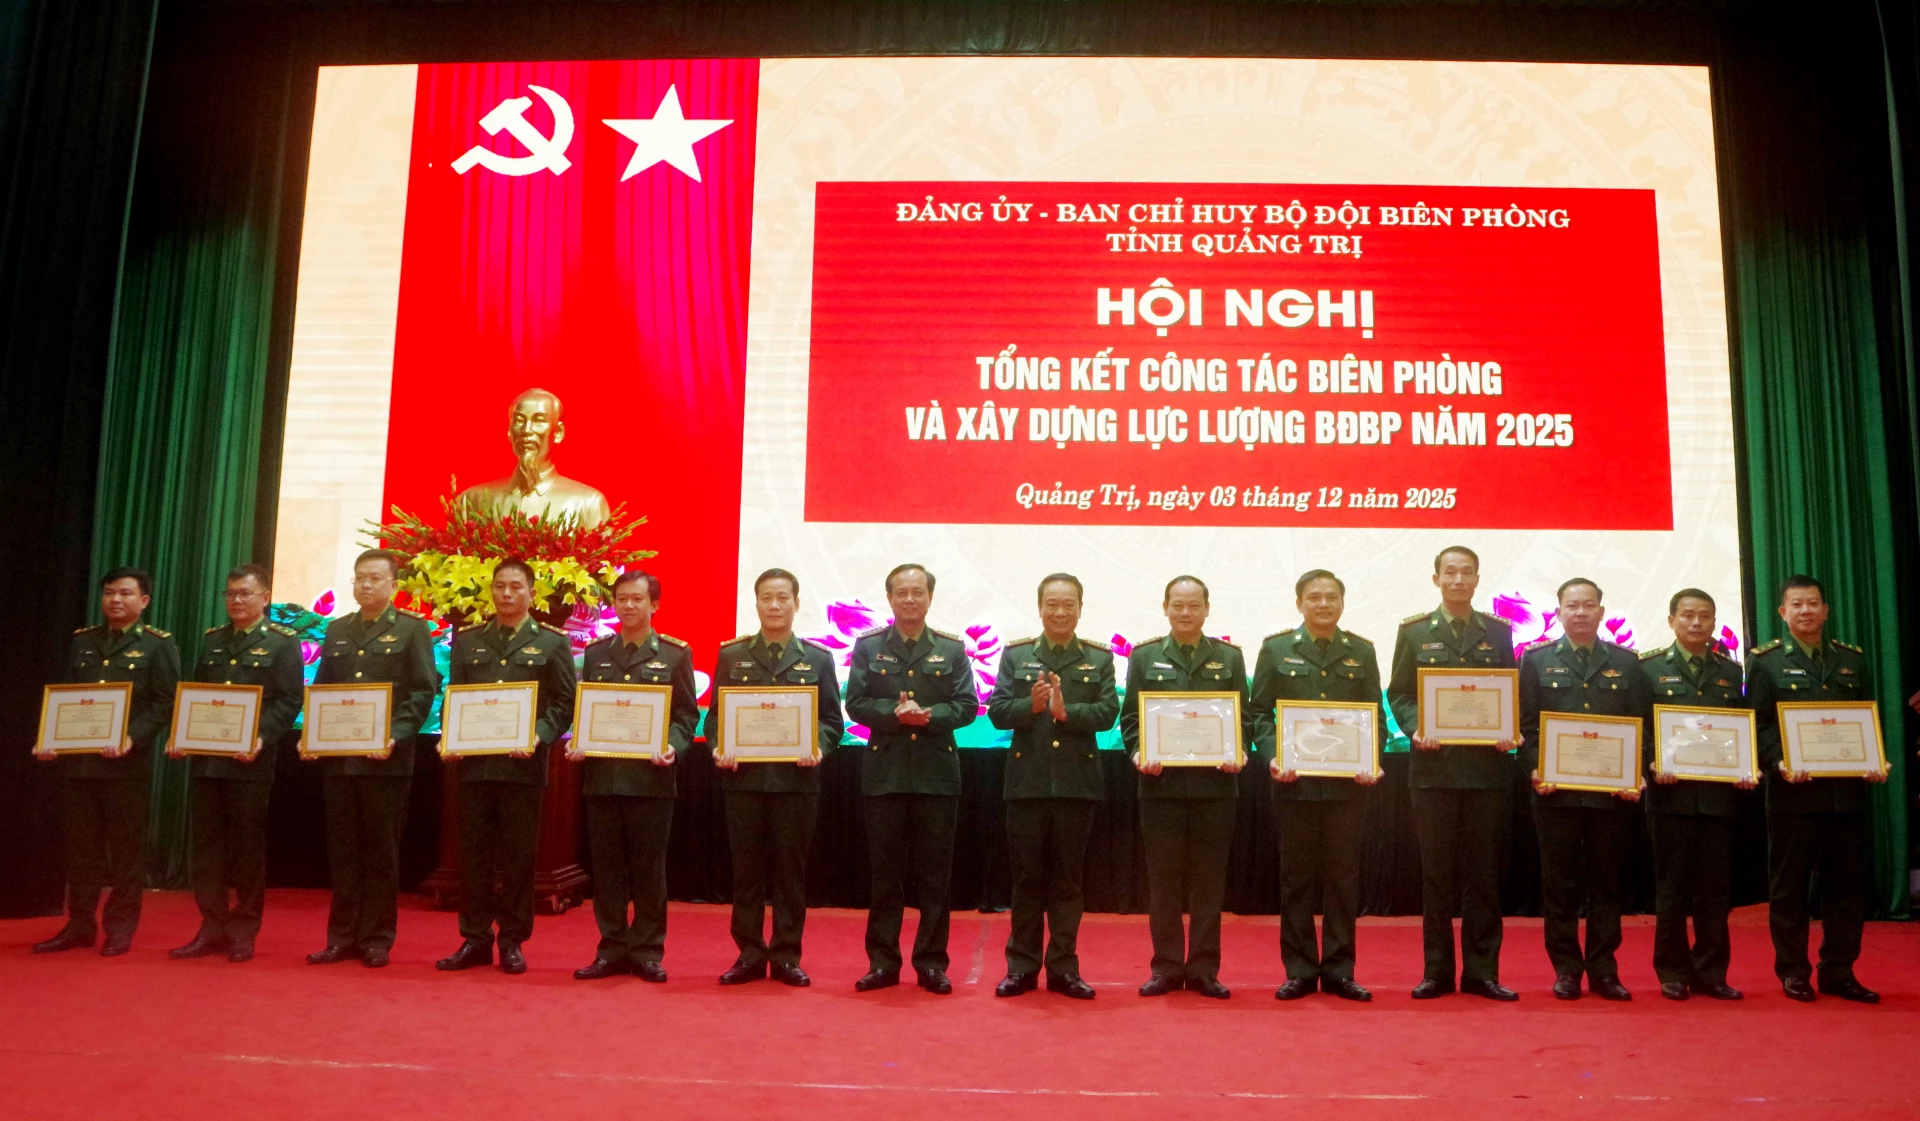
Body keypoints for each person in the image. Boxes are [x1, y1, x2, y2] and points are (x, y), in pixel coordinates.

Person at [1387, 545, 1519, 1001]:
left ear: (1477, 579)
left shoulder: (1499, 632)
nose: (1458, 580)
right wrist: (1415, 728)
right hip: (1433, 772)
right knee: (1437, 876)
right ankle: (1437, 972)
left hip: (1486, 773)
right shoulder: (1414, 632)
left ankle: (1482, 973)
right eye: (1450, 572)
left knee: (1483, 877)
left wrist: (1508, 729)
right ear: (1436, 579)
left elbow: (1509, 693)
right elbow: (1400, 693)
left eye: (1467, 572)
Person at [435, 558, 576, 976]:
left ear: (532, 594)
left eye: (516, 586)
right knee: (473, 858)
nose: (507, 593)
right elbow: (455, 695)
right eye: (500, 586)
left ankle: (513, 941)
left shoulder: (551, 643)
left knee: (518, 859)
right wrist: (449, 735)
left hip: (522, 768)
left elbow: (564, 702)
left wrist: (538, 735)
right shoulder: (469, 640)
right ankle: (475, 939)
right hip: (474, 767)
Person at [1748, 575, 1885, 1003]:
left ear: (1826, 611)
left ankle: (1839, 971)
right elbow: (1759, 724)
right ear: (1782, 612)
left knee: (1846, 888)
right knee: (1789, 888)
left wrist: (1874, 758)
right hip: (1793, 794)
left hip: (1845, 794)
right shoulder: (1766, 662)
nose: (1805, 611)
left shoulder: (1851, 660)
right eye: (1797, 604)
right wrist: (1779, 760)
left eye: (1813, 604)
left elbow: (1867, 717)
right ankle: (1793, 971)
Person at [844, 563, 978, 993]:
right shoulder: (868, 646)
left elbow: (967, 705)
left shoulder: (951, 649)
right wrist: (895, 714)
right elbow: (855, 702)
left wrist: (929, 715)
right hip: (884, 774)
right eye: (901, 592)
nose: (909, 599)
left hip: (937, 775)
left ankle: (931, 963)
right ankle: (883, 963)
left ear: (930, 597)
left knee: (935, 877)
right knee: (885, 876)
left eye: (917, 592)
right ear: (889, 598)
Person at [32, 567, 179, 956]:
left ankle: (120, 927)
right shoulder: (83, 641)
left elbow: (166, 702)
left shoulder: (158, 645)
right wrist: (51, 739)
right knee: (81, 850)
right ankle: (79, 925)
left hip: (126, 766)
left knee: (126, 851)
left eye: (125, 593)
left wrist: (133, 737)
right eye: (110, 592)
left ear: (143, 601)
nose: (116, 599)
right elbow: (65, 695)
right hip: (79, 764)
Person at [306, 549, 440, 969]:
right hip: (340, 759)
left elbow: (422, 691)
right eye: (360, 577)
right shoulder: (337, 629)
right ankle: (341, 937)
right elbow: (324, 689)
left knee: (381, 852)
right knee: (343, 851)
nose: (366, 584)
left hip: (386, 761)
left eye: (375, 578)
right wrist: (313, 733)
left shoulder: (412, 629)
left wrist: (394, 736)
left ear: (393, 585)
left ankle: (377, 939)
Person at [709, 569, 844, 987]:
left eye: (783, 598)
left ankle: (786, 955)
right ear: (756, 603)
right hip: (744, 782)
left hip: (796, 784)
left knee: (790, 873)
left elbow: (831, 721)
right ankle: (749, 954)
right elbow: (716, 717)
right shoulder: (732, 655)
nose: (774, 605)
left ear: (796, 604)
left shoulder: (817, 658)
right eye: (766, 597)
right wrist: (719, 746)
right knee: (746, 873)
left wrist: (817, 746)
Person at [985, 573, 1117, 1001]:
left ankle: (1064, 969)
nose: (1060, 612)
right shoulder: (1017, 654)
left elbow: (1108, 713)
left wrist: (1065, 712)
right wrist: (1032, 706)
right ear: (1039, 607)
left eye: (1069, 604)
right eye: (1052, 604)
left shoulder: (1098, 658)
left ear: (1080, 608)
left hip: (1077, 786)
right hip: (1027, 784)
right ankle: (1021, 968)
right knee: (1026, 880)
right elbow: (997, 711)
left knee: (1068, 882)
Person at [1250, 569, 1380, 1002]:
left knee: (1343, 880)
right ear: (1299, 603)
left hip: (1346, 786)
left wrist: (1371, 759)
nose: (1323, 604)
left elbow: (1373, 713)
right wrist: (1273, 755)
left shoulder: (1361, 650)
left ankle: (1340, 971)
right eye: (1314, 597)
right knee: (1297, 880)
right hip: (1295, 784)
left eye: (1331, 597)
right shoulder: (1276, 649)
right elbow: (1259, 712)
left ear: (1342, 602)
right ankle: (1300, 970)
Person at [1518, 578, 1650, 1001]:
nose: (1580, 612)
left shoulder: (1627, 663)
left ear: (1601, 612)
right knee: (1560, 884)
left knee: (1607, 884)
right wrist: (1536, 768)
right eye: (1572, 605)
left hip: (1611, 795)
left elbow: (1641, 727)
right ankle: (1566, 969)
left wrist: (1634, 772)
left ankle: (1604, 969)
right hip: (1555, 792)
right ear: (1558, 612)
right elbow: (1525, 726)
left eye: (1588, 605)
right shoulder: (1535, 660)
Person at [168, 564, 304, 963]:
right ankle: (211, 926)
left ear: (265, 597)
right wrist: (182, 734)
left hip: (250, 762)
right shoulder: (213, 640)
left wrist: (260, 736)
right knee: (206, 848)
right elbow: (196, 694)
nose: (237, 600)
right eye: (230, 594)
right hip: (207, 761)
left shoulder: (282, 643)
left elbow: (289, 700)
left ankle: (244, 930)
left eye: (245, 593)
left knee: (246, 849)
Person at [1122, 575, 1249, 1000]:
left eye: (1194, 605)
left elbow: (1243, 717)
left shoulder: (1229, 657)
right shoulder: (1144, 657)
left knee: (1208, 885)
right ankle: (1166, 967)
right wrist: (1139, 752)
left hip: (1215, 789)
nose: (1185, 612)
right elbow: (1131, 719)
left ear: (1207, 609)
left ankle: (1204, 970)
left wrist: (1238, 749)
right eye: (1177, 605)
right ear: (1165, 608)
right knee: (1163, 885)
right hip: (1161, 788)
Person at [568, 568, 698, 982]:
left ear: (654, 604)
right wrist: (579, 740)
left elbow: (686, 715)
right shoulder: (596, 653)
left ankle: (646, 951)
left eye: (637, 599)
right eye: (621, 598)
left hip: (651, 781)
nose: (628, 605)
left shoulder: (674, 654)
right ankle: (610, 948)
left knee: (648, 871)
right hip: (603, 779)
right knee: (607, 870)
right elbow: (587, 710)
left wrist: (673, 746)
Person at [1638, 588, 1751, 1001]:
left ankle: (1711, 972)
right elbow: (1639, 728)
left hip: (1719, 797)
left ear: (1714, 621)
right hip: (1671, 797)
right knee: (1672, 888)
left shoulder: (1730, 671)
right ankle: (1672, 971)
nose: (1696, 622)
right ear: (1672, 621)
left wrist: (1745, 765)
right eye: (1687, 615)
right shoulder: (1648, 669)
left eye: (1705, 615)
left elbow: (1740, 727)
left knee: (1715, 890)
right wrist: (1653, 763)